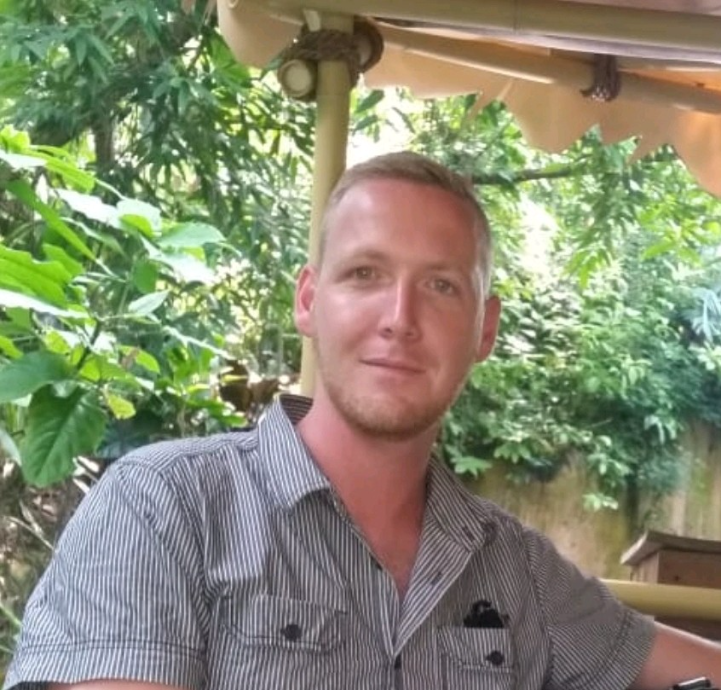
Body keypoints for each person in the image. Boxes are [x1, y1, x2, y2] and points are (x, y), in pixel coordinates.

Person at [4, 152, 721, 690]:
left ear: (484, 329)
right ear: (309, 301)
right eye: (365, 275)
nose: (399, 319)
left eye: (441, 286)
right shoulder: (166, 507)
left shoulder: (516, 570)